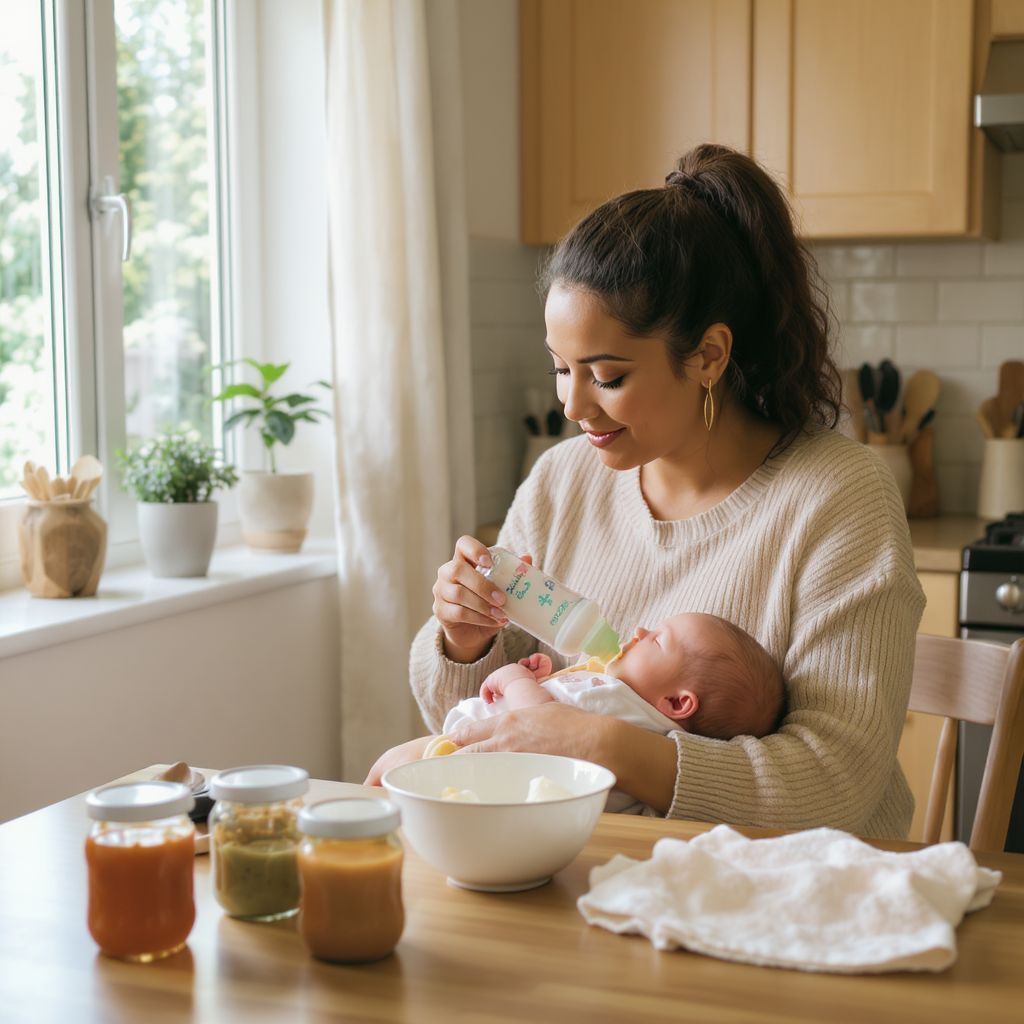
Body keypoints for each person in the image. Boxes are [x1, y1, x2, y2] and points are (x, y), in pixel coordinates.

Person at [396, 143, 925, 839]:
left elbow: (834, 785)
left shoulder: (836, 498)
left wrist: (603, 746)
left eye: (607, 375)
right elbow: (475, 730)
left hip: (781, 895)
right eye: (561, 369)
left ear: (708, 355)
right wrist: (467, 643)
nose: (573, 406)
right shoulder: (562, 481)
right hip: (587, 871)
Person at [367, 612, 785, 813]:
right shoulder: (631, 708)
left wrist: (518, 682)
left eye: (657, 640)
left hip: (465, 770)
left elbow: (543, 724)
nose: (638, 632)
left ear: (677, 703)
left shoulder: (619, 703)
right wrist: (548, 677)